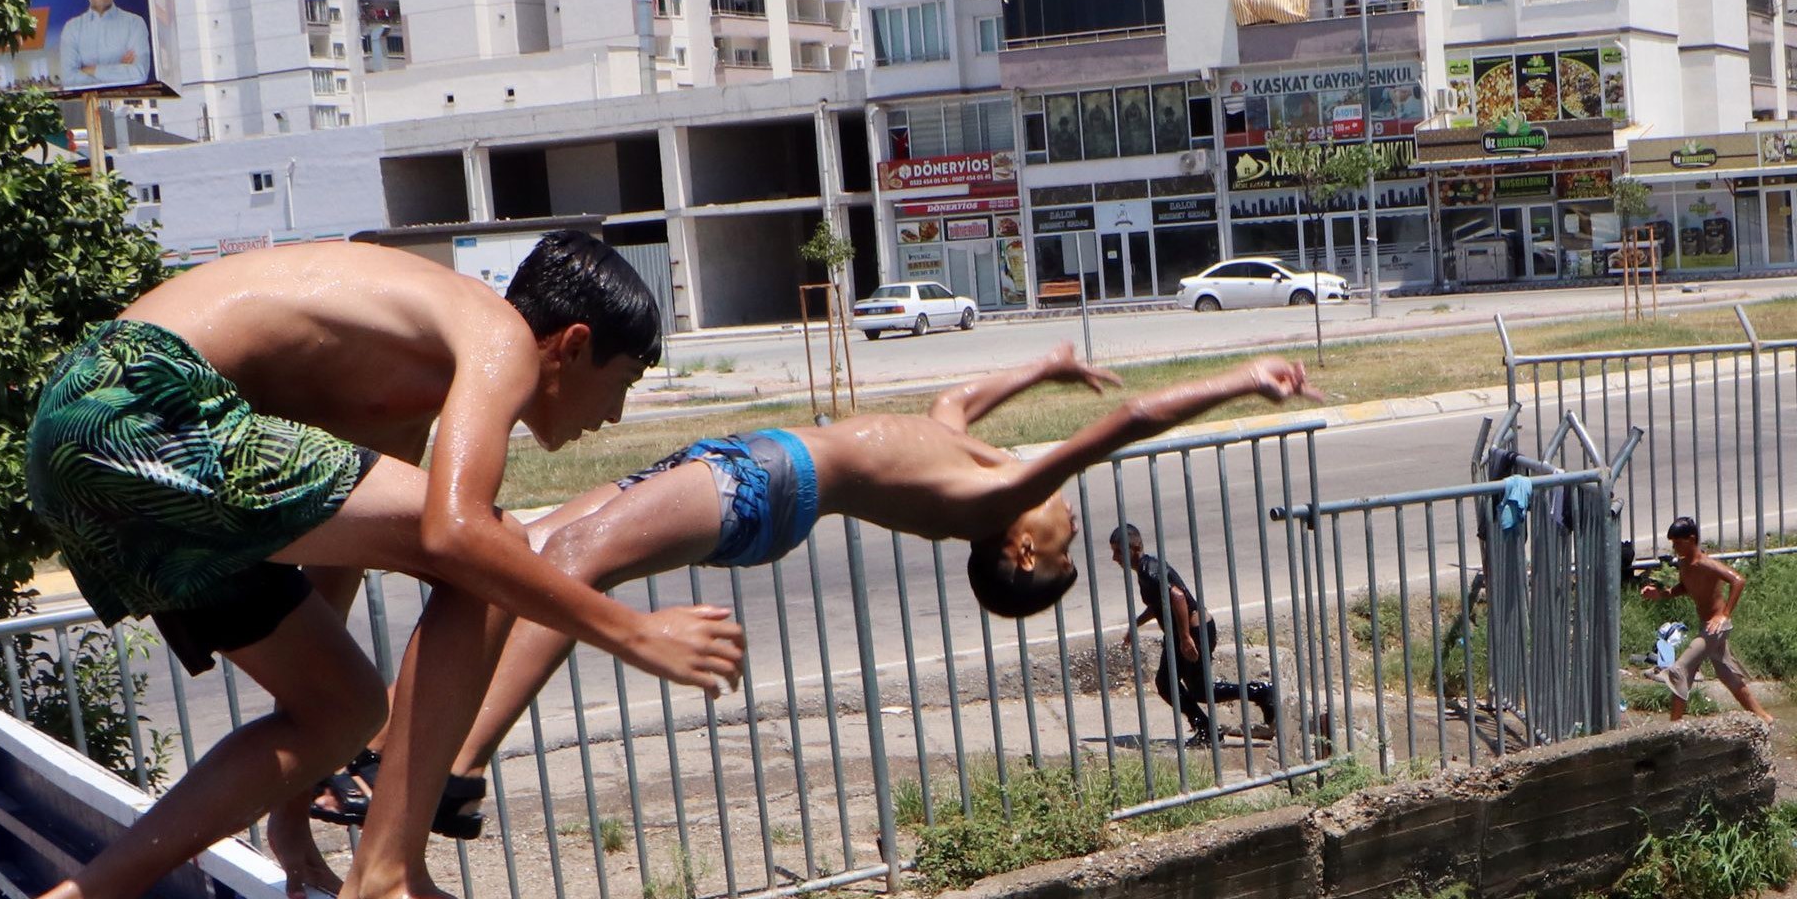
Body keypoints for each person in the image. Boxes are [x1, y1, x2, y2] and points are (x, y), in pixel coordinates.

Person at [0, 234, 746, 899]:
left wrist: (295, 806)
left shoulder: (398, 380)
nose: (616, 415)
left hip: (82, 436)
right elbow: (458, 535)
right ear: (572, 344)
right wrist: (632, 633)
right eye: (621, 384)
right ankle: (383, 890)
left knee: (340, 708)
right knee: (494, 548)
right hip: (143, 405)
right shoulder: (496, 333)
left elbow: (332, 572)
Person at [317, 347, 1316, 833]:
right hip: (747, 454)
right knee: (522, 539)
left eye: (1058, 548)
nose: (1066, 516)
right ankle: (383, 744)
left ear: (1017, 553)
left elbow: (1137, 415)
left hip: (771, 484)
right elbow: (958, 398)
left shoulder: (994, 492)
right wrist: (1048, 362)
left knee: (570, 559)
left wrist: (1240, 378)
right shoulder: (974, 454)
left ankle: (454, 767)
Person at [1108, 523, 1278, 748]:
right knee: (1167, 683)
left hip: (1194, 632)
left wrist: (1186, 637)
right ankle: (1205, 726)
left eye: (1119, 551)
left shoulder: (1149, 571)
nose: (1115, 558)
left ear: (1136, 547)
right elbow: (1159, 603)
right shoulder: (1145, 570)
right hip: (1180, 634)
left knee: (1198, 689)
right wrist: (1136, 625)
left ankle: (1260, 692)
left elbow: (1177, 597)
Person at [1637, 516, 1770, 722]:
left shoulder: (1706, 563)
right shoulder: (1684, 563)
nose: (1675, 548)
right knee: (1728, 677)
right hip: (1705, 625)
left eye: (1678, 543)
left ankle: (1674, 727)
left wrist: (1724, 615)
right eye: (1673, 544)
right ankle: (1765, 718)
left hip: (1716, 628)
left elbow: (1738, 580)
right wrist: (1661, 594)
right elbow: (1683, 587)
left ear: (1691, 539)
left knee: (1679, 670)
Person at [52, 0, 153, 90]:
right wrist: (119, 71)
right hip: (86, 106)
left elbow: (139, 74)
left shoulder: (135, 24)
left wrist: (91, 70)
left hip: (128, 106)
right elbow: (69, 80)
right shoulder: (72, 29)